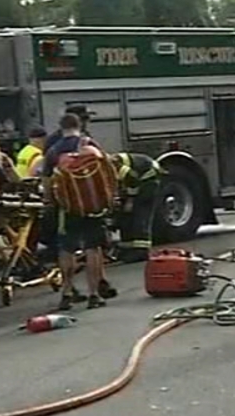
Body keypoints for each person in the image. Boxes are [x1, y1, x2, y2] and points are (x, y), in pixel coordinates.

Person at [42, 113, 112, 309]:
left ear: (61, 127)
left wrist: (51, 202)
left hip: (68, 208)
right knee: (93, 249)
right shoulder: (90, 145)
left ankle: (67, 292)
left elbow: (47, 181)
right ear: (79, 125)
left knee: (67, 249)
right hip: (94, 207)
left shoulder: (54, 151)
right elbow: (107, 171)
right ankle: (94, 295)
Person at [110, 151, 162, 259]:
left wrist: (130, 200)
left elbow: (133, 181)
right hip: (136, 181)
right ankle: (126, 248)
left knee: (141, 214)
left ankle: (142, 251)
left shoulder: (114, 166)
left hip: (148, 180)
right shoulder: (106, 167)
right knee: (126, 216)